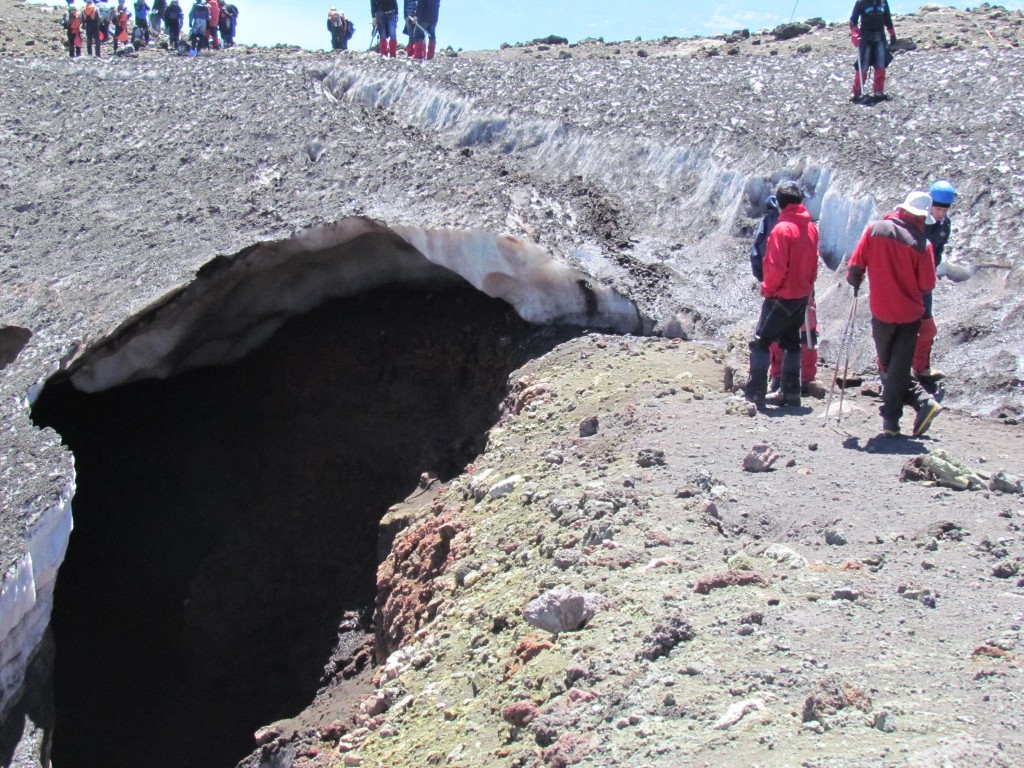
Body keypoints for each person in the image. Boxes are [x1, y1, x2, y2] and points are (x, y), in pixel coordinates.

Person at [846, 191, 941, 437]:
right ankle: (918, 405)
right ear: (921, 218)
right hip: (910, 315)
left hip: (882, 310)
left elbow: (855, 266)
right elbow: (927, 285)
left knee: (888, 366)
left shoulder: (875, 229)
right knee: (897, 366)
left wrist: (856, 279)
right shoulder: (923, 245)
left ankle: (892, 421)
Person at [743, 181, 820, 409]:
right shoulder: (811, 227)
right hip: (801, 295)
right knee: (791, 342)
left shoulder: (782, 228)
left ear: (781, 203)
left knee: (761, 342)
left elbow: (776, 267)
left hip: (780, 296)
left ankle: (755, 394)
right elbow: (814, 264)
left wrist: (768, 288)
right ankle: (791, 393)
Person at [913, 179, 956, 388]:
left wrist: (930, 271)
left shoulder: (943, 225)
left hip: (925, 285)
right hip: (908, 283)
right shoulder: (918, 223)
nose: (940, 214)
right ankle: (893, 371)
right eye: (937, 209)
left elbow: (938, 251)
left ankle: (921, 367)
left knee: (927, 327)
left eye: (944, 210)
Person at [849, 0, 897, 100]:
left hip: (880, 36)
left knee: (880, 64)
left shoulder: (883, 1)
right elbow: (853, 19)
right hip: (865, 37)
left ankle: (878, 92)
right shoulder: (861, 2)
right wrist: (855, 32)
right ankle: (857, 92)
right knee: (863, 65)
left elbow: (887, 18)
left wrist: (892, 33)